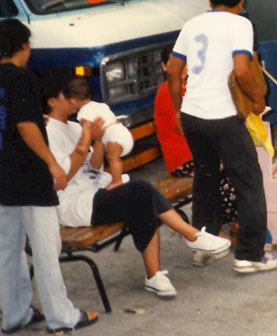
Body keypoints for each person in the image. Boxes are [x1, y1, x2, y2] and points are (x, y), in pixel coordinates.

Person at [46, 79, 232, 298]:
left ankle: (155, 275)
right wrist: (86, 140)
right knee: (141, 192)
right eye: (65, 95)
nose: (74, 99)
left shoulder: (76, 126)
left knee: (142, 199)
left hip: (95, 188)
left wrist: (100, 140)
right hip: (76, 202)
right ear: (51, 101)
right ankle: (192, 236)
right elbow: (64, 176)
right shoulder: (47, 131)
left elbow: (94, 167)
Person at [167, 0, 277, 274]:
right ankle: (250, 256)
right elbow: (242, 70)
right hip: (223, 117)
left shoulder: (192, 24)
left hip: (193, 115)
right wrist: (258, 98)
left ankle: (203, 249)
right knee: (248, 182)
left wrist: (178, 108)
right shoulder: (241, 24)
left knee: (205, 178)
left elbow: (173, 70)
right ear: (241, 1)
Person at [0, 19, 98, 333]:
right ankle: (61, 316)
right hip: (29, 175)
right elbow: (25, 125)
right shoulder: (22, 78)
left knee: (8, 249)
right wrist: (52, 164)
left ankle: (14, 314)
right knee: (45, 248)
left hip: (3, 174)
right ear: (24, 46)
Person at [154, 46, 239, 241]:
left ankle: (232, 222)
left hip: (198, 152)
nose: (182, 68)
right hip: (182, 159)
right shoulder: (167, 90)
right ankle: (215, 228)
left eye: (185, 63)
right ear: (165, 67)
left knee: (232, 166)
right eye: (175, 64)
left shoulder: (188, 87)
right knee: (218, 172)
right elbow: (186, 127)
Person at [66, 77, 133, 189]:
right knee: (115, 159)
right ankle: (117, 179)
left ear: (73, 101)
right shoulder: (100, 105)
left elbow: (86, 130)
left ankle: (117, 180)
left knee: (112, 158)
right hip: (123, 132)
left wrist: (83, 145)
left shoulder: (84, 112)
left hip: (114, 138)